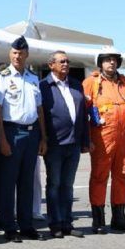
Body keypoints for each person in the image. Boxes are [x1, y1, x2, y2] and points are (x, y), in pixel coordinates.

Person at [0, 36, 47, 243]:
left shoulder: (33, 78)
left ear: (27, 55)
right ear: (10, 54)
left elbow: (39, 110)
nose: (18, 56)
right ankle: (9, 226)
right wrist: (1, 138)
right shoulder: (2, 78)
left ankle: (26, 225)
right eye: (14, 53)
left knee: (27, 182)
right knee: (8, 182)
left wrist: (43, 137)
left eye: (21, 53)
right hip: (11, 132)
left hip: (32, 134)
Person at [83, 47, 125, 234]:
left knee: (121, 177)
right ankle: (98, 219)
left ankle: (119, 217)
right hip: (102, 140)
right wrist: (86, 138)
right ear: (100, 62)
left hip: (124, 140)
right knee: (100, 177)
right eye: (107, 59)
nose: (111, 62)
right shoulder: (90, 83)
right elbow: (82, 114)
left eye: (114, 59)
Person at [39, 51, 88, 238]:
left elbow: (83, 115)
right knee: (54, 184)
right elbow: (40, 114)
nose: (66, 64)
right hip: (54, 144)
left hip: (73, 143)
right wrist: (42, 140)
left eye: (67, 61)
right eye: (62, 61)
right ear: (51, 65)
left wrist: (85, 140)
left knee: (68, 185)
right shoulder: (43, 86)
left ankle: (67, 222)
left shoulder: (76, 85)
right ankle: (55, 223)